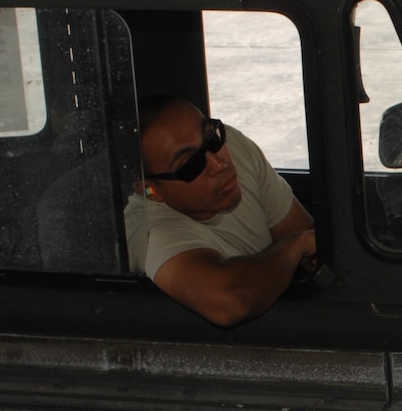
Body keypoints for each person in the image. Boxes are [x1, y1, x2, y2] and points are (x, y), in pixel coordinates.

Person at [129, 96, 318, 326]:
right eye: (191, 164)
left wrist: (301, 246)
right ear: (150, 190)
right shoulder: (150, 229)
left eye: (211, 137)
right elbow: (233, 301)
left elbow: (309, 240)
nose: (220, 163)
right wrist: (295, 245)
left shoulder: (232, 146)